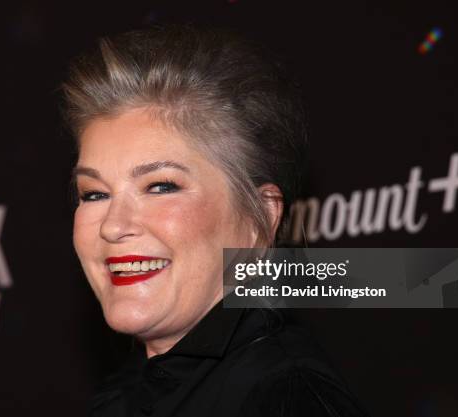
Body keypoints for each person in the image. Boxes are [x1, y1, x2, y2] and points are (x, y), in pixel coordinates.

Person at [63, 25, 369, 417]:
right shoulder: (120, 400)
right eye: (94, 194)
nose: (112, 225)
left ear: (260, 221)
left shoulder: (287, 399)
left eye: (160, 187)